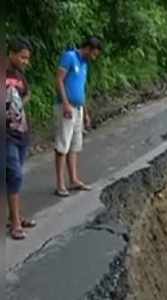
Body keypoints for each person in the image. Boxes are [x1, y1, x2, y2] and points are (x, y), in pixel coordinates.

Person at [54, 37, 102, 197]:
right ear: (87, 49)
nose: (94, 58)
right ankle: (60, 184)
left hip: (78, 108)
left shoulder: (84, 63)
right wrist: (66, 103)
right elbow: (59, 80)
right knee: (63, 145)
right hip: (66, 107)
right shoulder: (70, 57)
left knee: (75, 145)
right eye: (93, 54)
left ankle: (73, 179)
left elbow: (82, 88)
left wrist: (85, 112)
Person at [6, 38, 36, 240]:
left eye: (27, 58)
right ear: (11, 53)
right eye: (23, 57)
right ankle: (15, 224)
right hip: (5, 135)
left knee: (14, 177)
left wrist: (18, 102)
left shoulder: (20, 76)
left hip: (21, 132)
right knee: (14, 175)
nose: (26, 61)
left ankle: (14, 216)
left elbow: (28, 94)